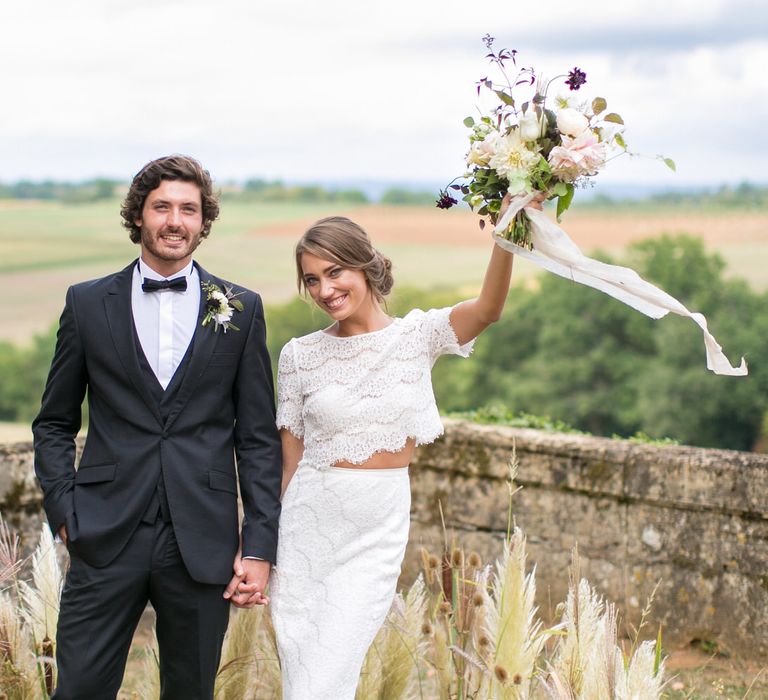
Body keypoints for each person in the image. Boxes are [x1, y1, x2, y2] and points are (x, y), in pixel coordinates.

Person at [32, 154, 282, 699]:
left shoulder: (241, 309)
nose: (175, 220)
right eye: (162, 206)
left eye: (188, 209)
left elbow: (258, 438)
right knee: (78, 691)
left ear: (203, 220)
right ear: (139, 216)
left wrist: (259, 546)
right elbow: (53, 421)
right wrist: (66, 511)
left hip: (202, 540)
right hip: (103, 531)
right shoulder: (87, 303)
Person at [264, 201, 534, 699]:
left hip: (374, 537)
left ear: (366, 264)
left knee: (328, 672)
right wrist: (262, 549)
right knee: (309, 681)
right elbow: (289, 463)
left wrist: (507, 232)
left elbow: (489, 309)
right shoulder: (299, 355)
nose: (325, 290)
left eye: (335, 272)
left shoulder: (417, 336)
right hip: (305, 534)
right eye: (312, 281)